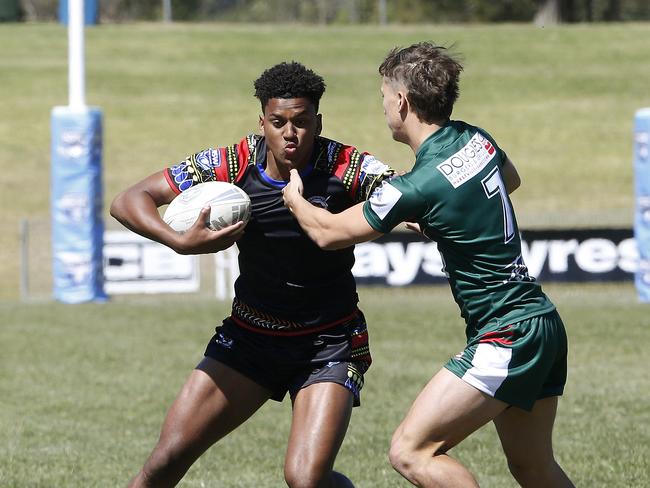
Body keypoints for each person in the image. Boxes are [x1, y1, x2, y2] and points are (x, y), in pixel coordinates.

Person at [282, 42, 575, 488]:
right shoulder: (477, 139)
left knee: (411, 451)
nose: (382, 106)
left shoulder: (414, 186)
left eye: (383, 95)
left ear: (402, 101)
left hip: (507, 333)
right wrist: (450, 216)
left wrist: (294, 198)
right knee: (533, 468)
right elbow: (509, 180)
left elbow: (327, 232)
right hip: (542, 323)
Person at [110, 61, 394, 488]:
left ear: (318, 121)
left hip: (328, 343)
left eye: (301, 122)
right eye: (278, 122)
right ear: (261, 122)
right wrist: (177, 240)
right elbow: (130, 200)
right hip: (250, 339)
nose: (290, 133)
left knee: (305, 479)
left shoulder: (347, 166)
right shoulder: (229, 163)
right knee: (164, 461)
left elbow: (408, 197)